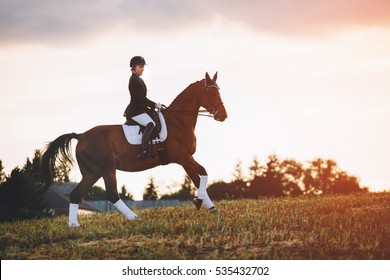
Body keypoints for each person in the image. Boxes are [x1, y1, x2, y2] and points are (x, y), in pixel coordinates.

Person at [124, 56, 162, 159]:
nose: (142, 69)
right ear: (133, 67)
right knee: (150, 124)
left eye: (143, 67)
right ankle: (144, 150)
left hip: (140, 109)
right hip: (135, 111)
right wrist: (154, 105)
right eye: (140, 67)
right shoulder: (133, 80)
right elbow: (140, 98)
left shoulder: (138, 79)